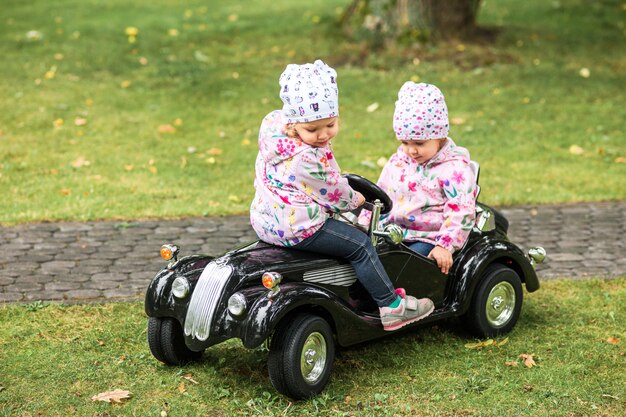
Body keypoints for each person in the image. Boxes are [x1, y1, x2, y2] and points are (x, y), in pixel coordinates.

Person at [250, 60, 434, 331]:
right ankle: (391, 306)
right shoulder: (305, 158)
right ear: (294, 125)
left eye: (330, 125)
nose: (323, 135)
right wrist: (358, 200)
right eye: (313, 129)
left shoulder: (274, 137)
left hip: (267, 221)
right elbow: (335, 193)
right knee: (360, 245)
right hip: (300, 226)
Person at [361, 81, 477, 274]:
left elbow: (462, 211)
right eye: (405, 142)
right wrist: (363, 224)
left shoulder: (454, 169)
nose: (411, 150)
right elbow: (379, 193)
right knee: (359, 256)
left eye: (419, 143)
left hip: (427, 237)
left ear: (439, 136)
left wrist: (445, 245)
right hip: (390, 232)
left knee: (402, 269)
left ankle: (410, 302)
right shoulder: (399, 160)